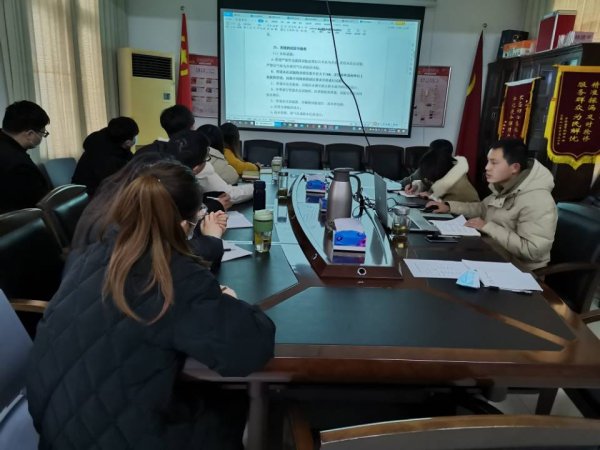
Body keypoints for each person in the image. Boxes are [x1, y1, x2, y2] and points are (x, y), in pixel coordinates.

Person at [27, 160, 276, 450]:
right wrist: (229, 301)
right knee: (231, 407)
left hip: (54, 429)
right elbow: (249, 351)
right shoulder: (174, 276)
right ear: (183, 225)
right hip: (117, 439)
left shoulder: (88, 255)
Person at [71, 152, 228, 270]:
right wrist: (211, 239)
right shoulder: (115, 223)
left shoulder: (118, 199)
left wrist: (197, 227)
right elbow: (161, 261)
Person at [427, 139, 558, 270]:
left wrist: (487, 227)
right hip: (492, 254)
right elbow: (481, 208)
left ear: (515, 167)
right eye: (488, 161)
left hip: (518, 269)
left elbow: (531, 250)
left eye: (494, 163)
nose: (487, 167)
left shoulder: (538, 200)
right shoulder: (505, 188)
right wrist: (449, 207)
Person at [0, 100, 50, 213]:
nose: (42, 137)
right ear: (30, 134)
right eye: (43, 133)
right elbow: (35, 208)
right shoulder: (19, 165)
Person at [72, 117, 139, 196]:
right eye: (134, 136)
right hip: (90, 197)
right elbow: (113, 186)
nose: (136, 138)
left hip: (103, 193)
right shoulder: (103, 157)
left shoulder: (114, 144)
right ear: (127, 142)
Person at [415, 150, 479, 203]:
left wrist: (432, 196)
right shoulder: (446, 172)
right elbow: (430, 181)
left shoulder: (459, 188)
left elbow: (448, 207)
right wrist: (417, 185)